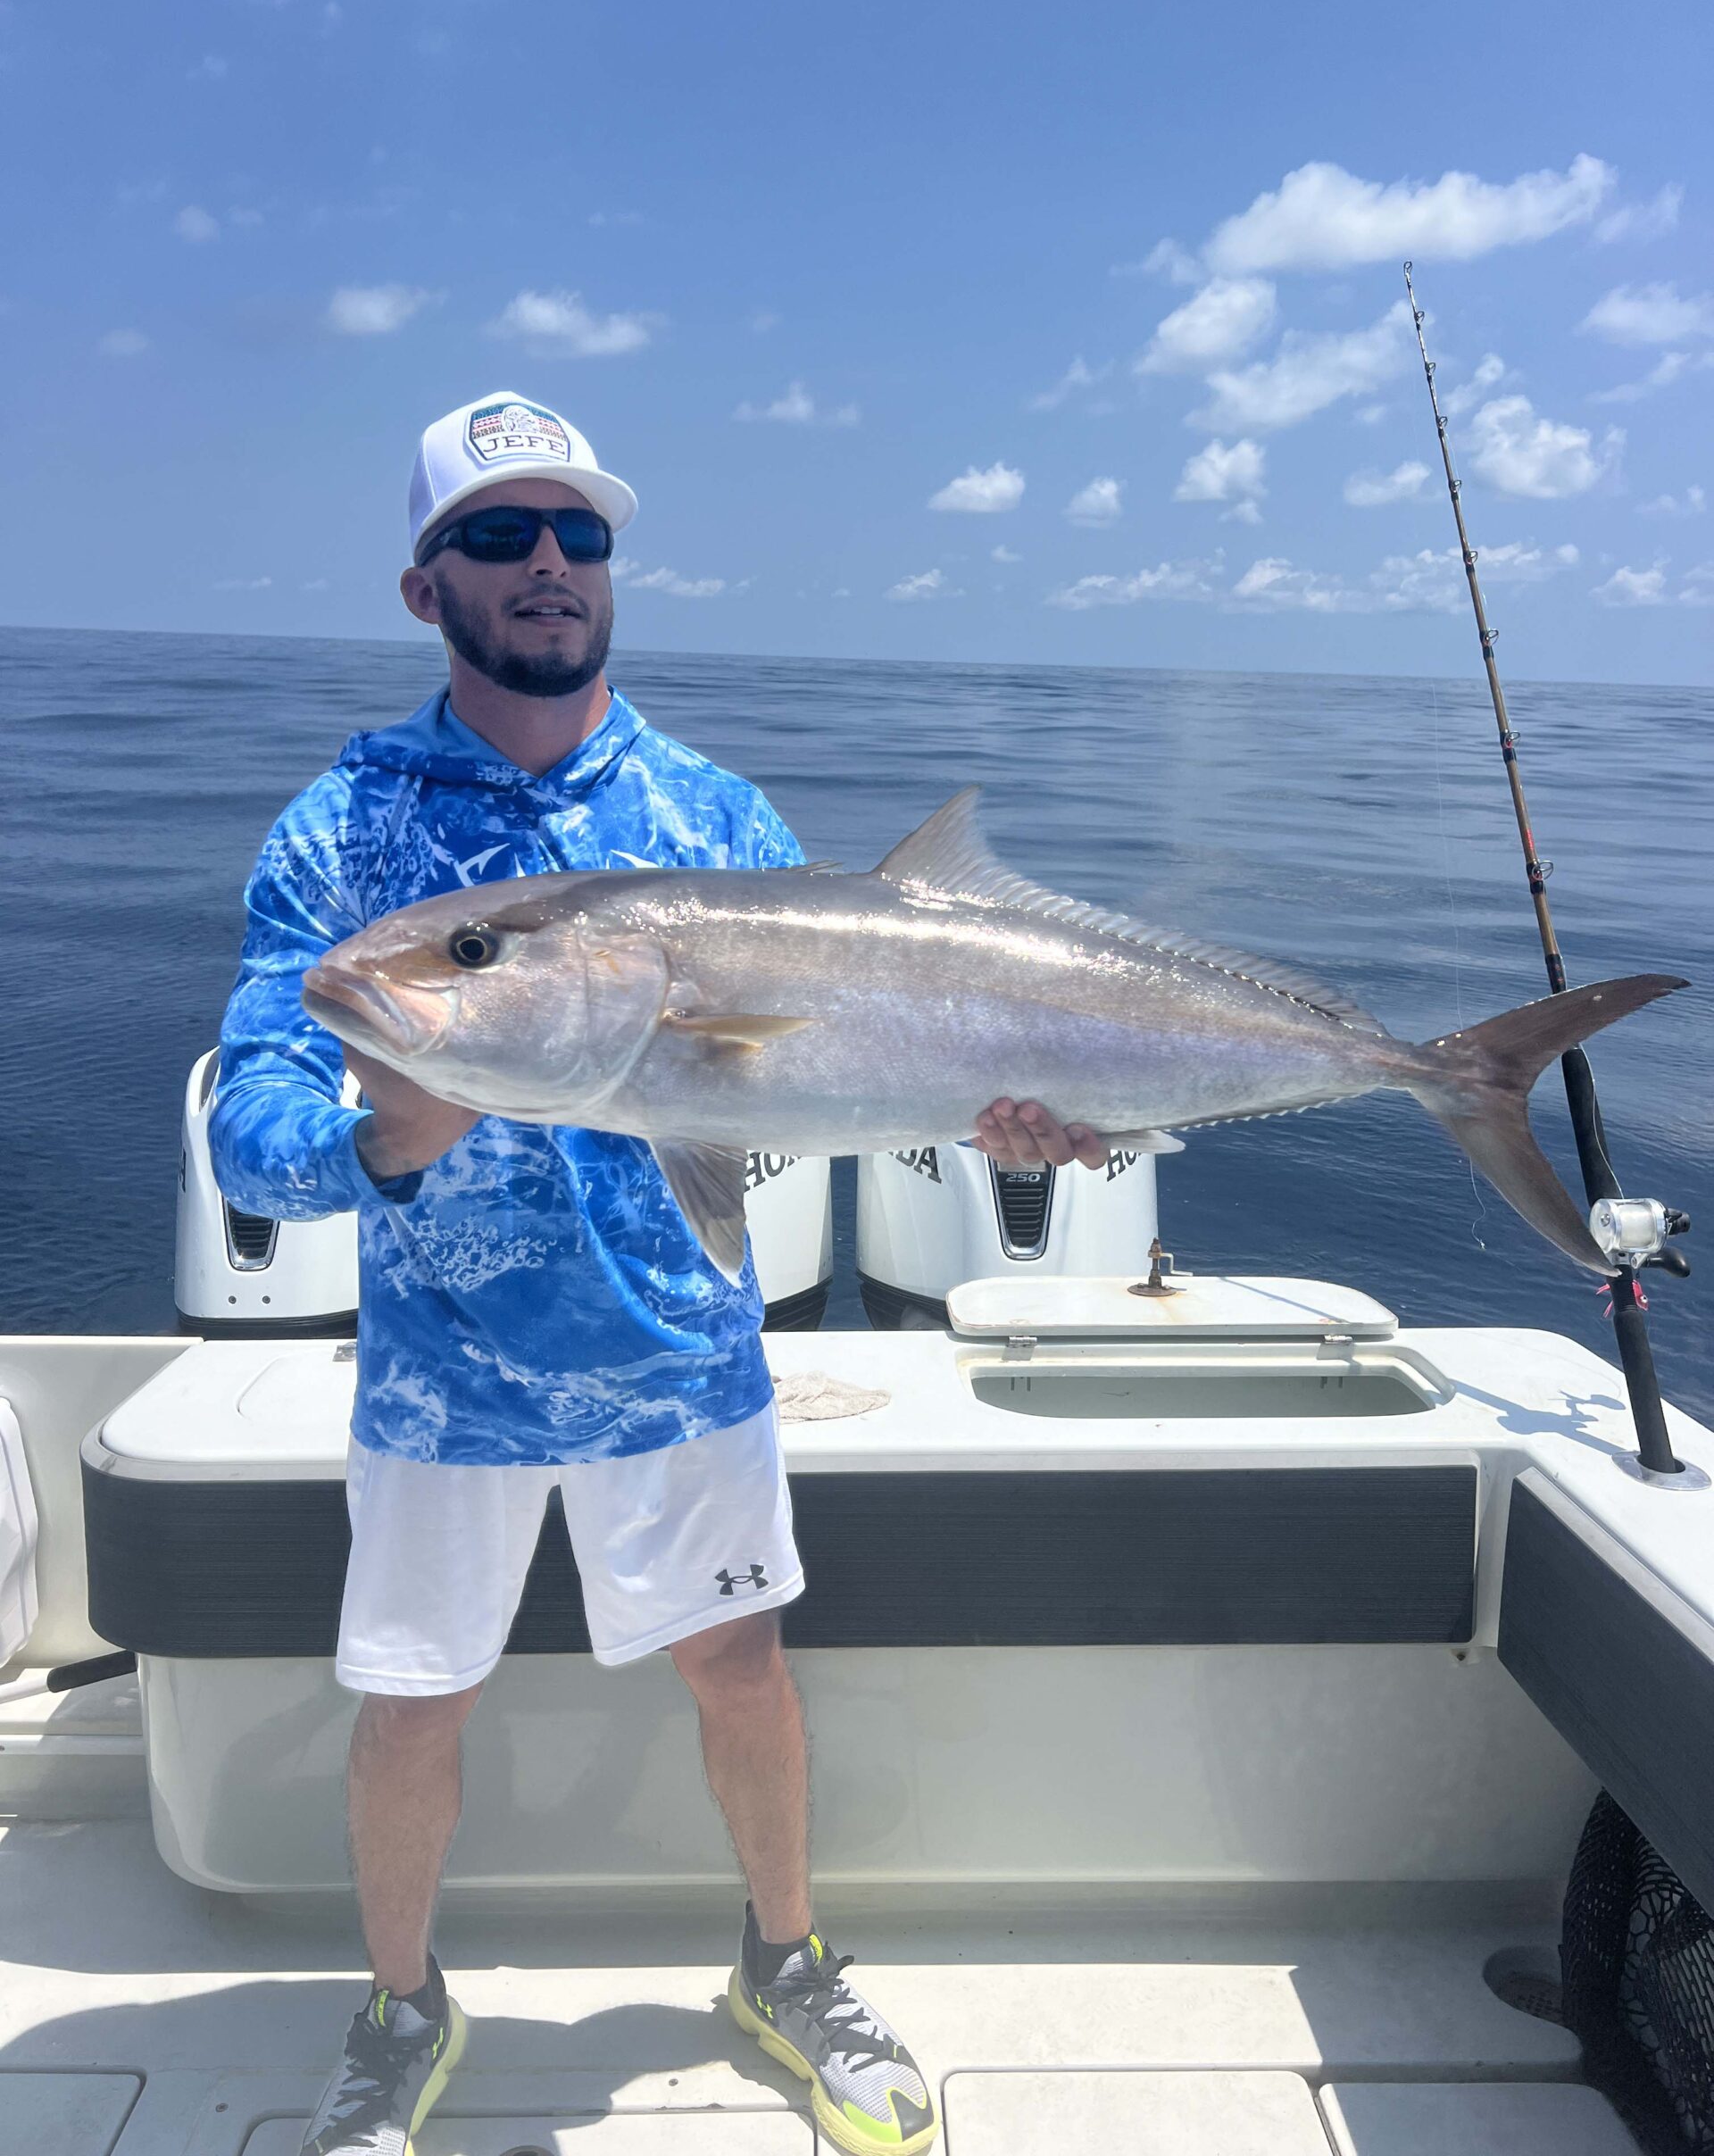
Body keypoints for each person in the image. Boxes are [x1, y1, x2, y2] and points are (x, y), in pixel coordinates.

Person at [210, 388, 1105, 2156]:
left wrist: (1015, 1115)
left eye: (579, 533)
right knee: (411, 1702)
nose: (546, 563)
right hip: (439, 1371)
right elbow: (250, 1115)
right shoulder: (342, 832)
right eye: (497, 533)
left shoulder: (712, 812)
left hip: (680, 1347)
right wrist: (370, 1143)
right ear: (426, 584)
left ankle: (786, 1962)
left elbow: (869, 1046)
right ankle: (399, 2009)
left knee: (742, 1670)